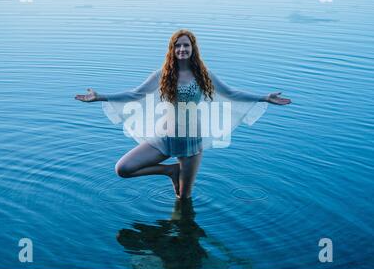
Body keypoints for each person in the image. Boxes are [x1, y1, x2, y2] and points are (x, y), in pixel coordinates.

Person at [75, 29, 291, 199]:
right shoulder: (162, 75)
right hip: (163, 139)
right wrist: (101, 96)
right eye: (177, 46)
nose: (182, 49)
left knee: (182, 198)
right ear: (172, 49)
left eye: (186, 45)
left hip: (191, 143)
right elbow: (135, 93)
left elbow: (232, 93)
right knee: (123, 169)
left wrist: (264, 97)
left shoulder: (203, 75)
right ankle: (169, 171)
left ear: (193, 48)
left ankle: (184, 247)